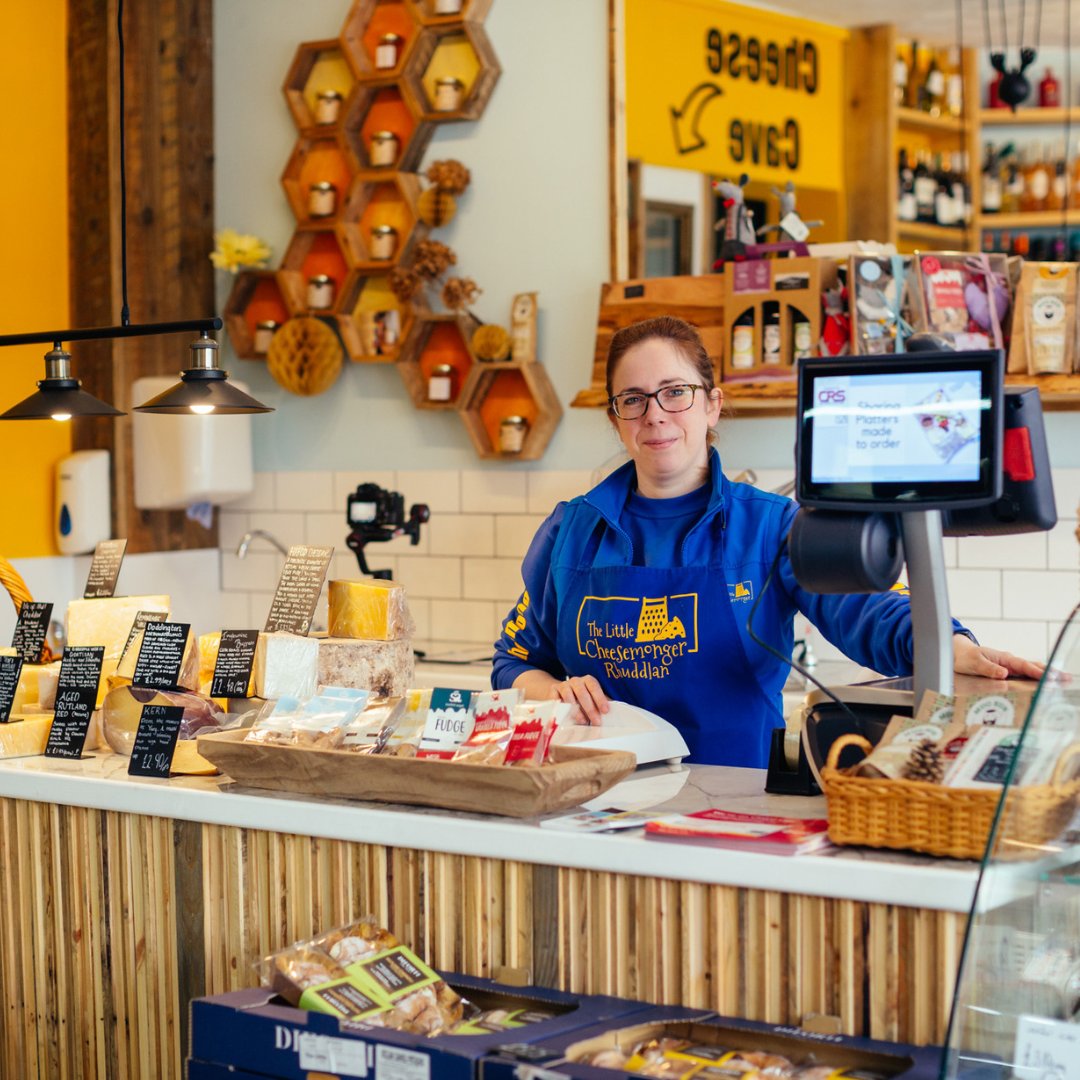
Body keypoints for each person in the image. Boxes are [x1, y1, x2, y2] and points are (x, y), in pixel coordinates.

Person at [490, 316, 1045, 767]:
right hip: (589, 798)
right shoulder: (571, 531)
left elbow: (868, 613)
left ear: (712, 404)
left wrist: (957, 649)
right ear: (616, 419)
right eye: (632, 399)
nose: (654, 415)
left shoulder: (774, 525)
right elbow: (514, 660)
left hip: (731, 800)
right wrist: (549, 690)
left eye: (674, 393)